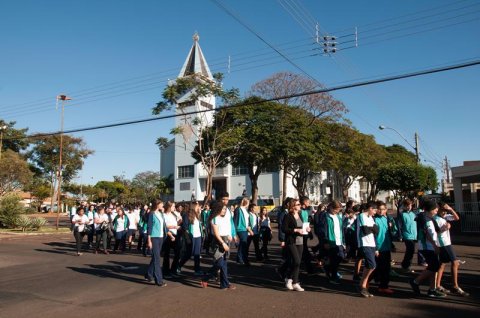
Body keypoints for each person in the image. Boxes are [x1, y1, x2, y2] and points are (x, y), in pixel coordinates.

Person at [409, 200, 447, 298]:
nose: (436, 211)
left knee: (433, 267)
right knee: (435, 266)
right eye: (435, 209)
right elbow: (427, 234)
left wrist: (445, 227)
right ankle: (415, 281)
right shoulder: (423, 218)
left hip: (431, 246)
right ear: (429, 210)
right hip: (426, 247)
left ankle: (432, 289)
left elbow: (436, 231)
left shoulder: (431, 218)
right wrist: (435, 246)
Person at [434, 203, 469, 296]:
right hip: (443, 243)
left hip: (446, 243)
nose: (444, 212)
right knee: (455, 262)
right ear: (438, 210)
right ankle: (455, 286)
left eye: (446, 211)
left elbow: (457, 218)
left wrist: (450, 209)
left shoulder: (445, 216)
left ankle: (437, 285)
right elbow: (435, 232)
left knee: (442, 264)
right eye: (443, 210)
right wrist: (445, 228)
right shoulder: (436, 219)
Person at [201, 201, 236, 290]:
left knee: (224, 264)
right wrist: (223, 243)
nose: (225, 211)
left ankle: (224, 284)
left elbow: (224, 229)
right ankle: (206, 277)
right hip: (218, 242)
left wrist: (229, 235)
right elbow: (216, 234)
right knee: (220, 263)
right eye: (223, 209)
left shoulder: (223, 218)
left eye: (225, 209)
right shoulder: (214, 219)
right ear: (218, 209)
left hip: (225, 240)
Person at [372, 201, 397, 294]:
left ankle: (383, 286)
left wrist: (392, 227)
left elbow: (393, 232)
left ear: (386, 210)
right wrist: (375, 248)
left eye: (382, 209)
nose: (380, 211)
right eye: (378, 209)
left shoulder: (387, 219)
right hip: (377, 247)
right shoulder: (374, 219)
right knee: (376, 267)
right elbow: (372, 235)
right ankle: (365, 283)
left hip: (386, 246)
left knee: (386, 268)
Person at [282, 198, 306, 292]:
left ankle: (295, 282)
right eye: (298, 204)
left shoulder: (299, 215)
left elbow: (302, 225)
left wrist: (306, 229)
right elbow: (284, 229)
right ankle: (289, 278)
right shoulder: (288, 216)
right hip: (291, 241)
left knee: (298, 262)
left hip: (300, 241)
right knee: (296, 261)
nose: (300, 205)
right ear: (293, 206)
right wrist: (295, 230)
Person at [319, 200, 345, 285]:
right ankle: (333, 276)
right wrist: (325, 241)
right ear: (331, 208)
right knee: (334, 260)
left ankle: (328, 269)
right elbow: (323, 230)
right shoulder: (325, 216)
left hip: (339, 241)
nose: (337, 211)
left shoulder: (338, 217)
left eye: (339, 210)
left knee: (340, 257)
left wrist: (343, 241)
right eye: (336, 209)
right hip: (330, 241)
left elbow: (341, 229)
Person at [356, 201, 379, 298]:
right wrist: (371, 228)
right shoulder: (362, 216)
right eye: (374, 210)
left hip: (372, 244)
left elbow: (376, 230)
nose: (375, 212)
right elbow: (365, 231)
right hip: (364, 243)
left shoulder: (371, 218)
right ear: (370, 209)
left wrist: (371, 228)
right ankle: (362, 284)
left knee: (369, 266)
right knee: (372, 265)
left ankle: (363, 286)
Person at [145, 199, 168, 287]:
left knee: (155, 257)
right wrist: (149, 240)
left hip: (161, 237)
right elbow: (149, 227)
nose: (163, 205)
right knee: (157, 259)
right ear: (157, 205)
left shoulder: (161, 214)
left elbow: (164, 226)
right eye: (161, 204)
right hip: (154, 238)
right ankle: (159, 280)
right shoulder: (151, 214)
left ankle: (149, 274)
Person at [178, 201, 204, 275]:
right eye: (197, 206)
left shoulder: (197, 215)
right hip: (191, 237)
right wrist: (188, 238)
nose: (199, 207)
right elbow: (185, 227)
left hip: (198, 236)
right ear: (193, 207)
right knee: (189, 254)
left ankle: (197, 270)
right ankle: (179, 266)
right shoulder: (186, 215)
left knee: (197, 254)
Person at [398, 199, 422, 272]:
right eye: (407, 205)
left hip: (414, 235)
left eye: (410, 205)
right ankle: (406, 266)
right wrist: (400, 235)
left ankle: (405, 265)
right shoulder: (402, 214)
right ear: (404, 206)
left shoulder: (413, 214)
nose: (408, 207)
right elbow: (399, 225)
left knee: (411, 251)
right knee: (410, 250)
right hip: (407, 235)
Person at [162, 201, 181, 278]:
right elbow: (165, 226)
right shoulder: (164, 215)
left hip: (175, 234)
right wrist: (174, 227)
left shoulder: (174, 214)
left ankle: (173, 269)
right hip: (168, 235)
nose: (174, 208)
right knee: (166, 254)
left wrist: (179, 222)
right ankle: (166, 272)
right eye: (173, 206)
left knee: (178, 252)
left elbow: (177, 223)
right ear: (169, 207)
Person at [234, 197, 251, 265]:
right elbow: (235, 220)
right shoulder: (238, 209)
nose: (248, 204)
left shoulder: (245, 210)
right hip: (240, 229)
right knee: (244, 244)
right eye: (248, 202)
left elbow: (247, 220)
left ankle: (239, 258)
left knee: (242, 244)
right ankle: (244, 259)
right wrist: (234, 233)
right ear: (245, 202)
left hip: (245, 229)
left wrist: (249, 226)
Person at [299, 196, 314, 274]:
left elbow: (306, 223)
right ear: (304, 202)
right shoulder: (299, 211)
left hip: (305, 234)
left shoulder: (306, 211)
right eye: (308, 202)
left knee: (304, 252)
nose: (309, 203)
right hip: (299, 234)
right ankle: (310, 270)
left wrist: (310, 233)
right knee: (304, 252)